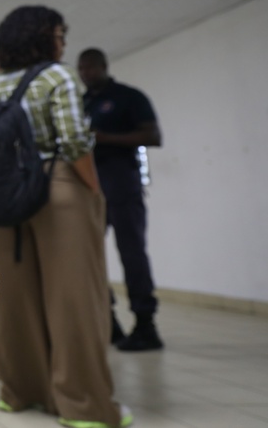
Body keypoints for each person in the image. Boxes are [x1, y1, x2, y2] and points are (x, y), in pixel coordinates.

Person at [0, 6, 131, 428]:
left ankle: (20, 392)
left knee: (16, 299)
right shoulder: (57, 76)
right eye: (60, 33)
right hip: (59, 188)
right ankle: (84, 406)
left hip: (6, 196)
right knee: (75, 298)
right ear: (41, 37)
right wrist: (94, 191)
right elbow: (75, 141)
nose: (64, 40)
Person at [78, 48, 163, 352]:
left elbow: (153, 136)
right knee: (90, 257)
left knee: (132, 254)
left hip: (123, 186)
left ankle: (145, 323)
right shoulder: (82, 104)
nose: (85, 74)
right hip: (91, 190)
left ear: (103, 66)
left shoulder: (129, 97)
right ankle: (108, 321)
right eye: (81, 69)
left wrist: (105, 138)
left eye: (90, 68)